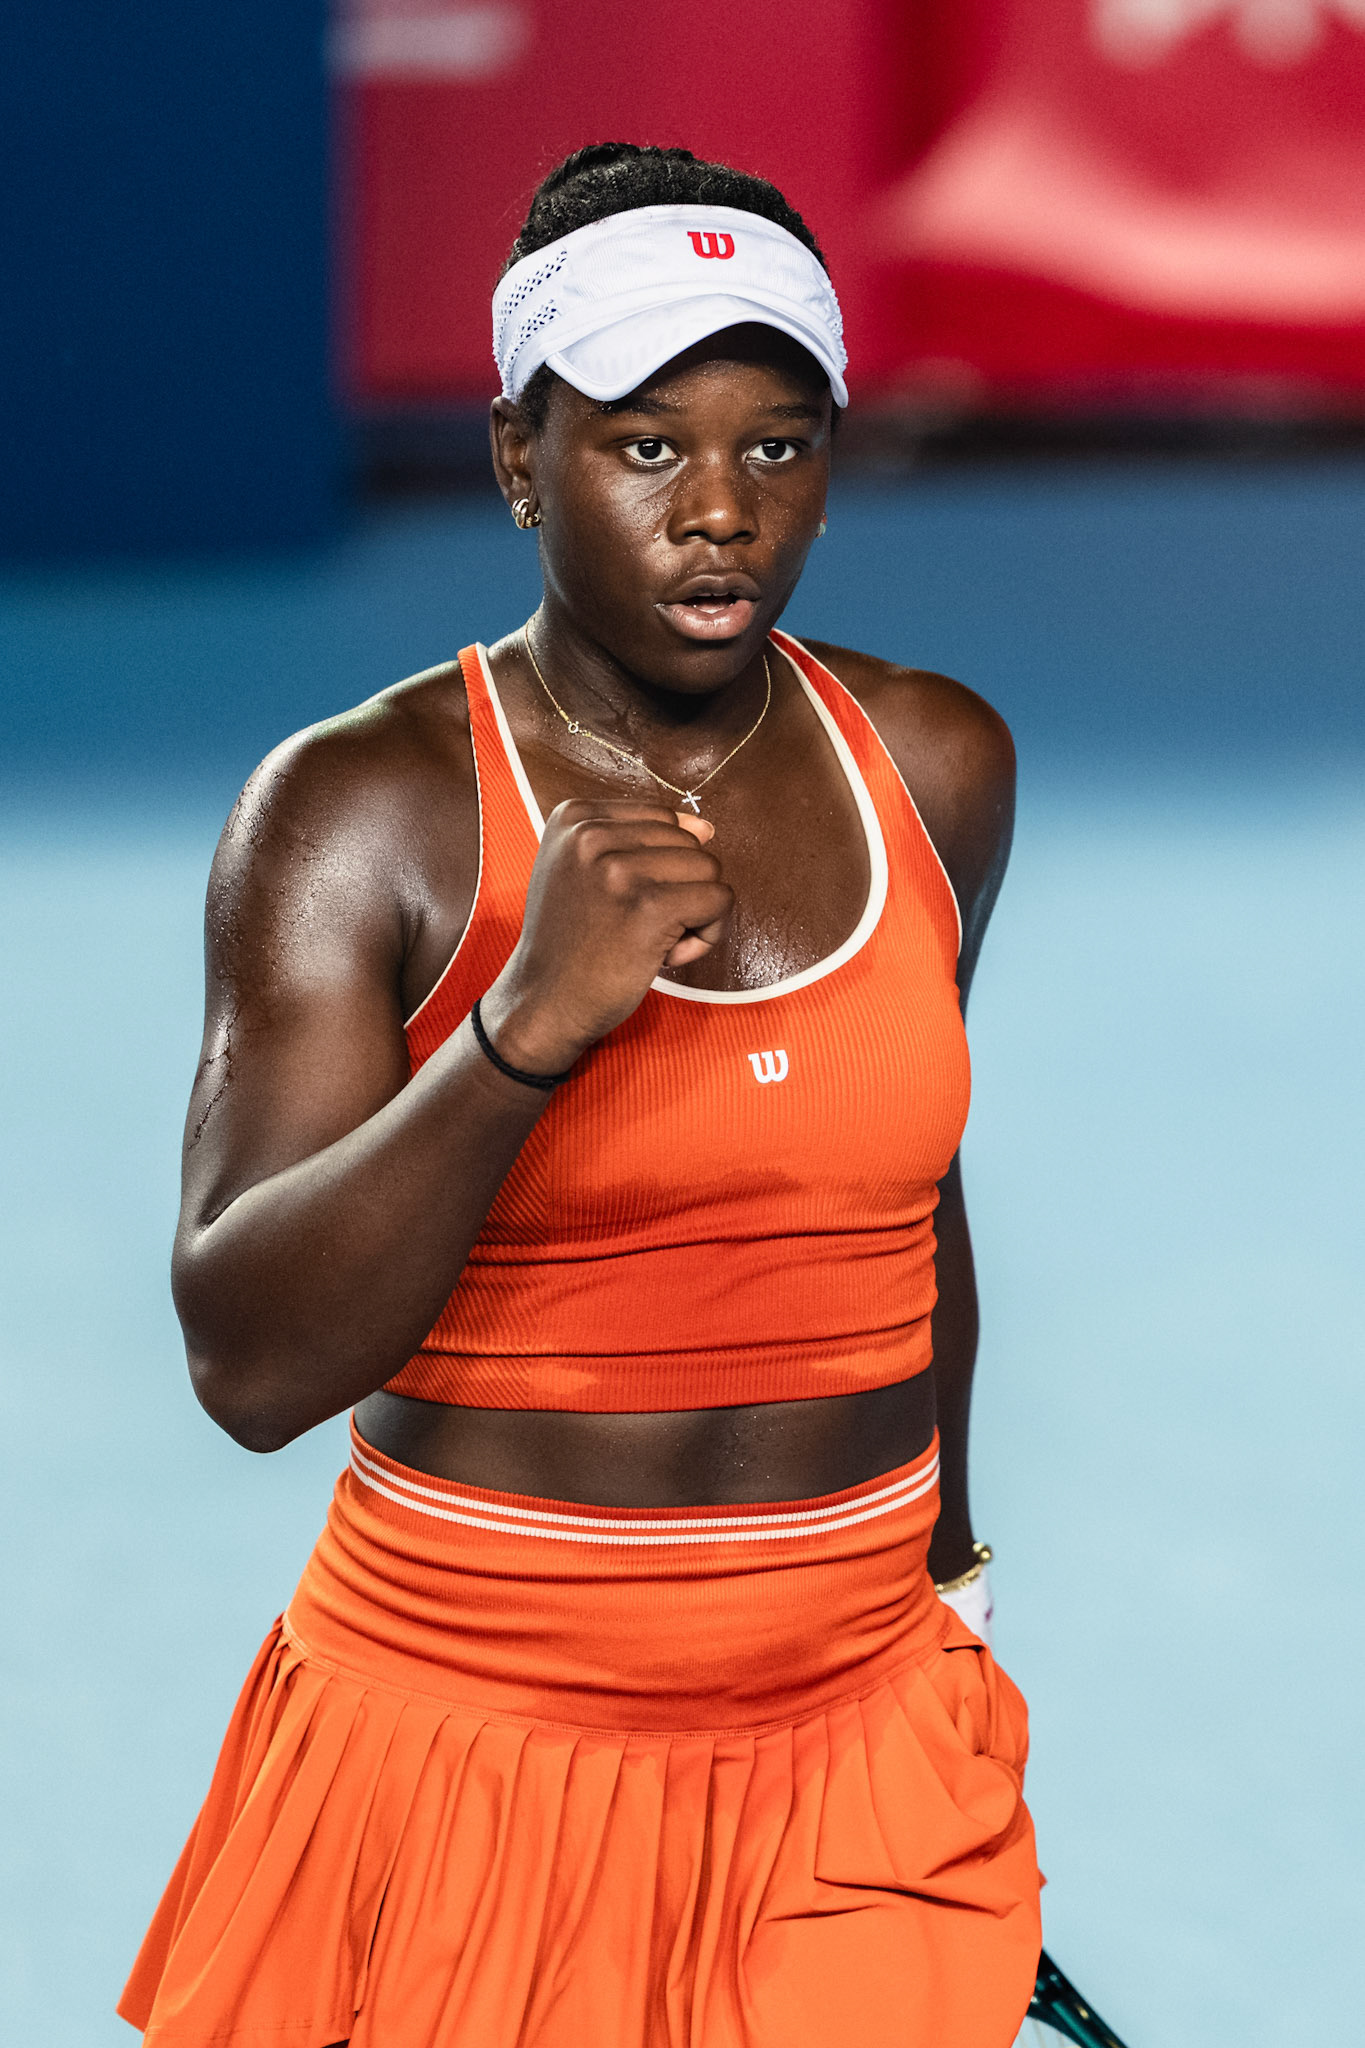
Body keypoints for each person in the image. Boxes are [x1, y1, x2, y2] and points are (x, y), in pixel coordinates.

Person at [119, 143, 1041, 2048]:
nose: (720, 513)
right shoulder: (357, 815)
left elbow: (902, 1191)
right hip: (466, 1756)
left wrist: (939, 1574)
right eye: (641, 447)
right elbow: (250, 1364)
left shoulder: (934, 761)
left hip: (853, 1747)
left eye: (777, 448)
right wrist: (521, 1034)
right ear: (516, 457)